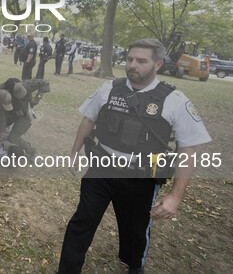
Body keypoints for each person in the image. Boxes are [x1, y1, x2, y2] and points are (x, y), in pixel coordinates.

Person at [58, 38, 211, 274]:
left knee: (135, 230)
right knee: (82, 222)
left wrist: (175, 197)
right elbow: (88, 118)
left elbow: (188, 150)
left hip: (141, 178)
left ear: (158, 64)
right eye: (130, 59)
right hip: (101, 170)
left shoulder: (174, 101)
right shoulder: (109, 89)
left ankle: (134, 265)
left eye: (141, 61)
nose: (132, 65)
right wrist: (74, 152)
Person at [0, 78, 50, 156]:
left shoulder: (27, 85)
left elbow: (45, 83)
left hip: (26, 114)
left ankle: (32, 152)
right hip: (11, 113)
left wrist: (37, 98)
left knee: (13, 138)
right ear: (9, 91)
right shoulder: (2, 90)